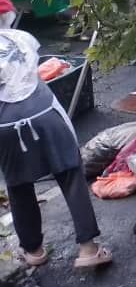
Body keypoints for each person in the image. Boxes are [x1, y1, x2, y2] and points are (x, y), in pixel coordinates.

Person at [0, 30, 112, 268]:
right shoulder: (19, 37)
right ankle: (89, 249)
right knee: (70, 173)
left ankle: (33, 251)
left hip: (5, 125)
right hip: (44, 110)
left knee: (18, 185)